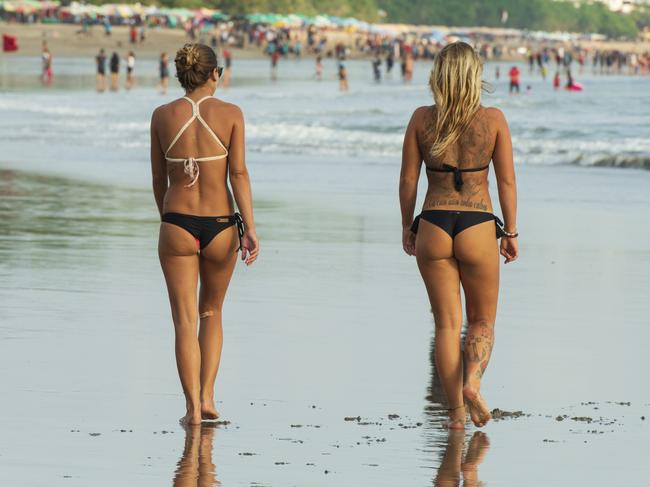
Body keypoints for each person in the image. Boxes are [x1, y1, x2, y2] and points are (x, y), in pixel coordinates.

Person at [399, 42, 518, 429]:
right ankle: (472, 382)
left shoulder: (421, 119)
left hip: (433, 222)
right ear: (475, 75)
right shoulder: (494, 120)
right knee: (482, 320)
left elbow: (407, 180)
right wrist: (511, 231)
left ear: (439, 76)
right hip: (478, 223)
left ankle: (454, 416)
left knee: (447, 326)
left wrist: (407, 225)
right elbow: (507, 182)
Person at [150, 43, 259, 425]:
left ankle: (192, 409)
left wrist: (168, 221)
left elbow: (158, 180)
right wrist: (251, 228)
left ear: (181, 75)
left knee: (183, 321)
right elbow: (239, 174)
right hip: (221, 227)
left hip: (176, 221)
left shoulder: (162, 115)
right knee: (211, 313)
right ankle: (209, 397)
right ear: (216, 74)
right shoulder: (231, 114)